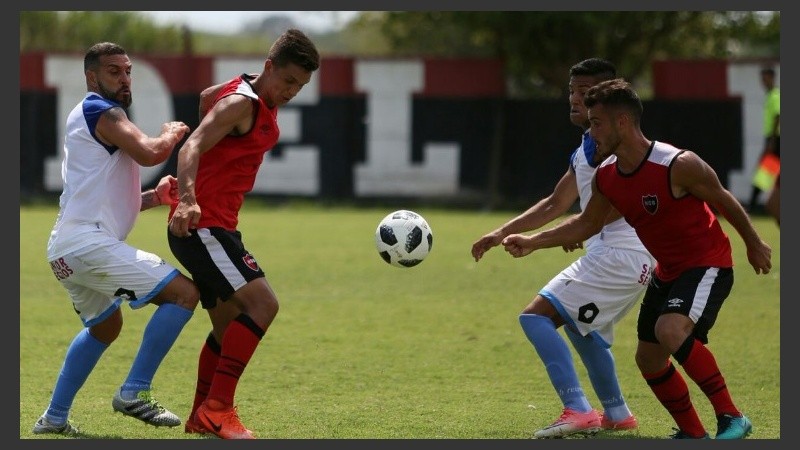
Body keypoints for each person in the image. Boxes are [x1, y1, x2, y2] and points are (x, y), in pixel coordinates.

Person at [502, 78, 772, 439]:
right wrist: (534, 242)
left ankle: (731, 417)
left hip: (707, 261)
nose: (591, 131)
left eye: (597, 123)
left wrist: (754, 243)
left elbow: (723, 199)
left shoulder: (678, 163)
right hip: (667, 270)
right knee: (648, 358)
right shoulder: (608, 176)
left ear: (622, 123)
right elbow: (586, 224)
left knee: (669, 329)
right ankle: (694, 434)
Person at [471, 58, 654, 439]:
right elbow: (557, 202)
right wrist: (500, 231)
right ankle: (617, 412)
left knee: (535, 317)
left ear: (608, 95)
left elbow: (606, 213)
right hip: (625, 257)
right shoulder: (590, 145)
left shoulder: (615, 147)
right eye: (572, 91)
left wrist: (539, 241)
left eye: (585, 92)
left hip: (621, 254)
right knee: (580, 329)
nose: (575, 99)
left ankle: (578, 409)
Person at [33, 42, 200, 436]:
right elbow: (149, 153)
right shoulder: (98, 109)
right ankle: (134, 391)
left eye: (127, 71)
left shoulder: (96, 120)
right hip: (85, 245)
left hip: (65, 249)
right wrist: (170, 133)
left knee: (104, 328)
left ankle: (53, 419)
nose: (124, 79)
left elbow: (105, 197)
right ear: (92, 78)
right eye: (114, 71)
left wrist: (154, 198)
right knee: (184, 294)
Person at [167, 29, 320, 439]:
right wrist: (186, 198)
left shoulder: (246, 90)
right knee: (264, 306)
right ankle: (219, 408)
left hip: (218, 228)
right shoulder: (240, 103)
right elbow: (191, 146)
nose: (292, 92)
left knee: (227, 325)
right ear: (269, 67)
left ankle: (202, 413)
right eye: (287, 81)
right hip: (203, 226)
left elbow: (204, 98)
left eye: (300, 86)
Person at [747, 66, 780, 212]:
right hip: (773, 139)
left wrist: (772, 141)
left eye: (765, 77)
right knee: (764, 175)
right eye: (762, 78)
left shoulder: (775, 95)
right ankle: (751, 206)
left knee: (764, 174)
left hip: (776, 140)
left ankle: (751, 207)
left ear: (772, 78)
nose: (763, 81)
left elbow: (778, 116)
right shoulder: (770, 95)